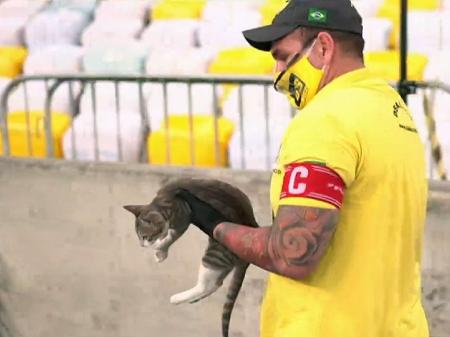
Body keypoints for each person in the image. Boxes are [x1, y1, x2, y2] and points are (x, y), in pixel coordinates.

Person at [177, 0, 430, 336]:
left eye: (283, 56)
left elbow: (293, 253)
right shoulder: (394, 110)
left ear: (323, 47)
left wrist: (215, 224)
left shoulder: (324, 120)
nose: (277, 73)